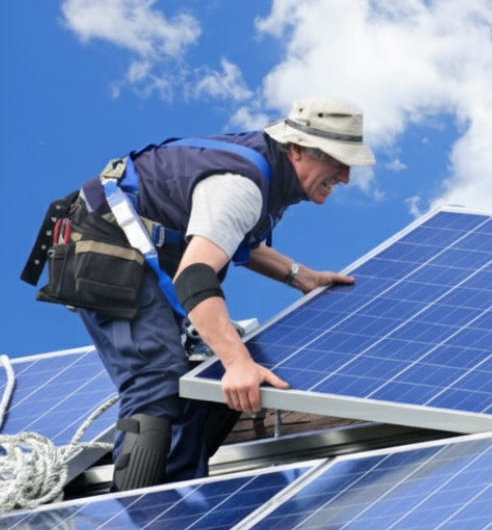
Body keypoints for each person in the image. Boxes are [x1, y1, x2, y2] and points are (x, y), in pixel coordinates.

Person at [21, 97, 375, 490]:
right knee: (156, 378)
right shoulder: (241, 186)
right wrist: (238, 362)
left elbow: (235, 239)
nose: (344, 176)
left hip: (139, 252)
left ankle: (178, 507)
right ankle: (138, 513)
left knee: (198, 377)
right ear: (297, 150)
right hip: (103, 247)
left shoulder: (271, 175)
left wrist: (300, 277)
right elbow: (194, 274)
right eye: (336, 161)